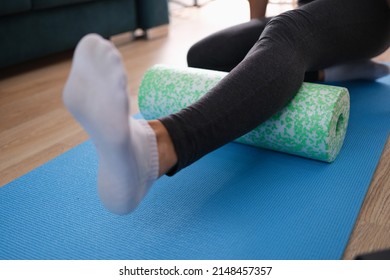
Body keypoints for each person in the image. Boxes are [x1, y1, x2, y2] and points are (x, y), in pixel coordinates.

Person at [63, 0, 390, 215]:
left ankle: (157, 147)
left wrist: (281, 37)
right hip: (313, 12)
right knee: (207, 56)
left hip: (371, 13)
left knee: (289, 31)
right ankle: (330, 70)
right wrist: (260, 38)